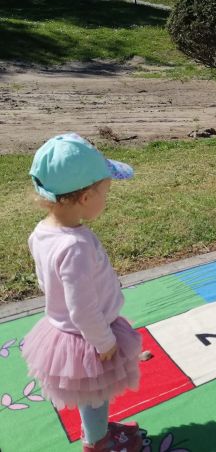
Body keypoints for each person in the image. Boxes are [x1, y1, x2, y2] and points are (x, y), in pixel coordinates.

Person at [21, 133, 143, 452]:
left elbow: (47, 281)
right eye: (105, 192)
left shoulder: (43, 231)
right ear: (86, 197)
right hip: (88, 337)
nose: (107, 198)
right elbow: (83, 308)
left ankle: (96, 430)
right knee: (95, 394)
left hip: (65, 329)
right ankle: (97, 442)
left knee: (92, 395)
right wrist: (104, 341)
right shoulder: (75, 246)